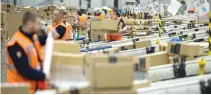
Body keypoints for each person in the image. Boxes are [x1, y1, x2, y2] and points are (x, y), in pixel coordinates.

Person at [6, 12, 58, 94]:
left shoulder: (32, 37)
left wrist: (51, 33)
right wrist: (44, 76)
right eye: (37, 24)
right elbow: (25, 70)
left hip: (32, 88)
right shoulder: (16, 44)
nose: (39, 27)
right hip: (20, 90)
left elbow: (44, 38)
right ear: (30, 24)